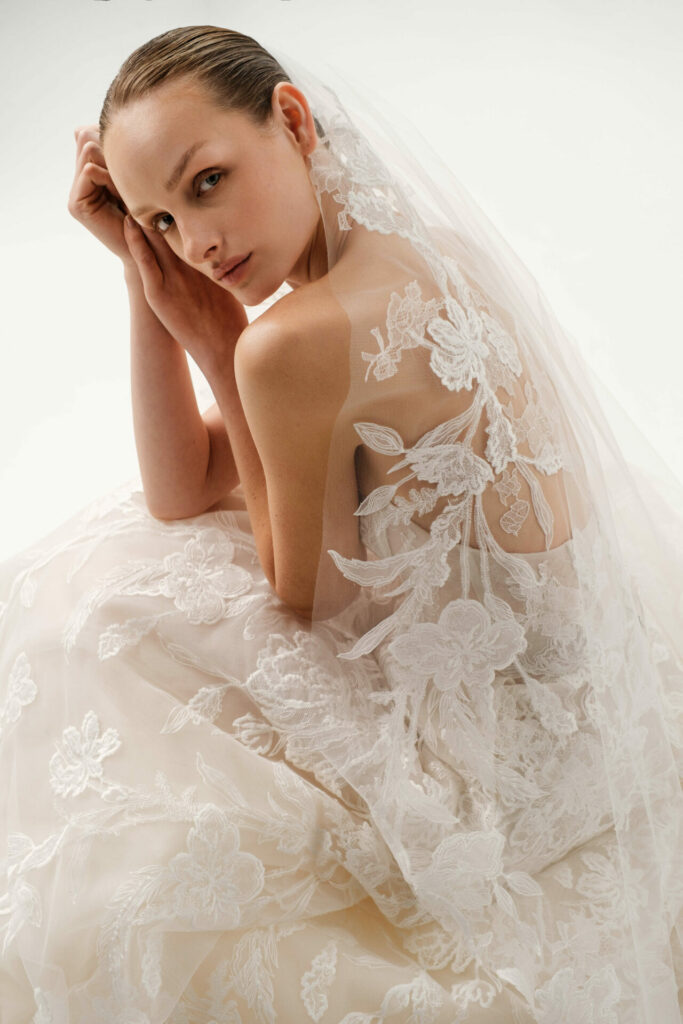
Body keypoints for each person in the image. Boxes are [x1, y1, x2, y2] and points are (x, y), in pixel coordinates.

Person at [0, 24, 681, 1024]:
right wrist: (150, 283)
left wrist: (218, 337)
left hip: (490, 753)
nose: (200, 245)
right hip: (566, 684)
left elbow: (305, 597)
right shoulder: (422, 257)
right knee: (120, 569)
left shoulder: (290, 342)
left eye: (205, 183)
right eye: (160, 222)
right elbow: (188, 486)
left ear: (290, 116)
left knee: (96, 621)